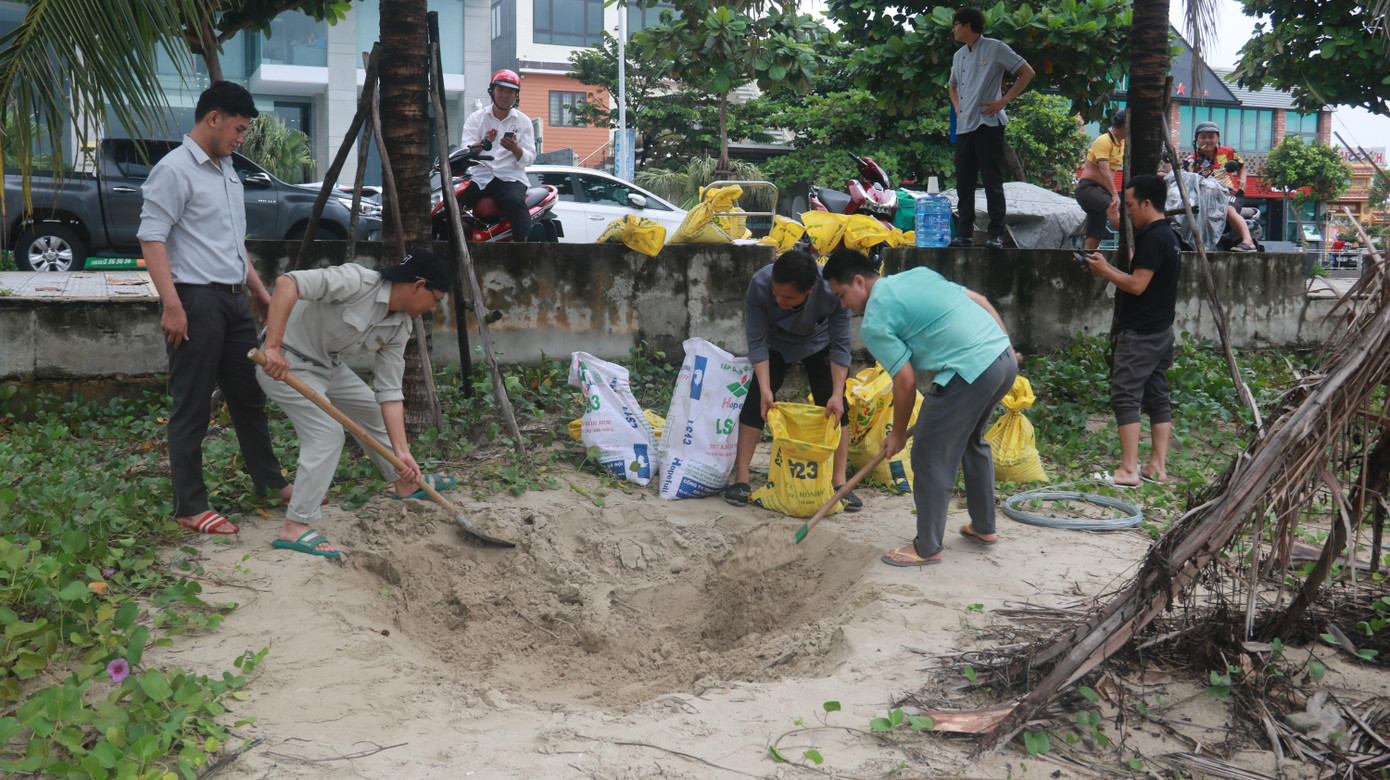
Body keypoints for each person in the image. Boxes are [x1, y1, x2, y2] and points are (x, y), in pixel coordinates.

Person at [138, 81, 292, 537]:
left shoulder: (226, 170)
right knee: (192, 405)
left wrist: (259, 293)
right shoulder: (174, 170)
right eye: (239, 129)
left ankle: (269, 480)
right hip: (195, 300)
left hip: (233, 299)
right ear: (213, 118)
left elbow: (232, 242)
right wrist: (172, 305)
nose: (240, 139)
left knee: (250, 396)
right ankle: (191, 505)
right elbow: (152, 238)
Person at [821, 248, 1018, 568]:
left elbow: (905, 381)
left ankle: (927, 547)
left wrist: (898, 434)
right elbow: (978, 299)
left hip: (969, 369)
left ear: (859, 281)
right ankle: (984, 528)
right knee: (971, 440)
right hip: (1001, 358)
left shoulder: (874, 322)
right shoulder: (915, 276)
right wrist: (1004, 344)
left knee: (928, 451)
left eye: (842, 296)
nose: (844, 306)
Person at [256, 253, 460, 558]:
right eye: (435, 300)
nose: (432, 309)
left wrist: (402, 454)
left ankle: (404, 484)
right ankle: (296, 525)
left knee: (372, 412)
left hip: (328, 367)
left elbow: (390, 392)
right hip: (286, 363)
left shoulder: (400, 325)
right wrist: (272, 348)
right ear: (419, 286)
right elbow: (288, 283)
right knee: (327, 434)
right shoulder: (356, 282)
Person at [724, 250, 859, 512]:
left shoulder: (833, 289)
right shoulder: (760, 284)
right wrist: (765, 389)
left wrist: (837, 392)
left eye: (788, 297)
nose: (779, 299)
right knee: (755, 402)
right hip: (775, 344)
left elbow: (841, 346)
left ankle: (840, 484)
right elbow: (757, 342)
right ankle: (741, 479)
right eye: (776, 293)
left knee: (835, 404)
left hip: (818, 342)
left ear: (810, 290)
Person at [1076, 174, 1181, 487]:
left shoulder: (1154, 239)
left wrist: (1105, 270)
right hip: (1161, 332)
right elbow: (1144, 270)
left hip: (1142, 335)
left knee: (1125, 396)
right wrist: (1117, 227)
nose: (1129, 211)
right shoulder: (1168, 236)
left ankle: (1128, 470)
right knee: (1157, 396)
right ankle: (1157, 467)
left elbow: (1137, 285)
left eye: (1131, 206)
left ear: (1147, 203)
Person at [948, 6, 1035, 249]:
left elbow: (1027, 72)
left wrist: (1004, 101)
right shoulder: (958, 56)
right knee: (963, 181)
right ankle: (964, 233)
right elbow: (952, 86)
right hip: (965, 127)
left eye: (956, 24)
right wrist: (958, 109)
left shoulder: (995, 47)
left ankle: (996, 233)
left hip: (989, 124)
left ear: (967, 25)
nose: (953, 30)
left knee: (991, 181)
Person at [457, 69, 537, 242]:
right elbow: (465, 150)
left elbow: (530, 158)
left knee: (516, 202)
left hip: (510, 177)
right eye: (501, 90)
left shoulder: (524, 122)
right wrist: (483, 143)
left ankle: (524, 249)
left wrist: (515, 149)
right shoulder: (476, 118)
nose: (504, 95)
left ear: (516, 95)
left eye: (510, 92)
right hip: (480, 175)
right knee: (453, 202)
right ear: (492, 91)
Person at [1182, 121, 1256, 252]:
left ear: (1217, 138)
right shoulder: (1191, 161)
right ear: (1196, 140)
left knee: (1228, 209)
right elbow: (1187, 182)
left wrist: (1242, 179)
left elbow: (1241, 166)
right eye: (1203, 137)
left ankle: (1248, 241)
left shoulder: (1228, 152)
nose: (1207, 140)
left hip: (1229, 194)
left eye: (1211, 137)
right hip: (1205, 199)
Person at [1076, 108, 1126, 251]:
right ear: (1124, 126)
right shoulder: (1104, 140)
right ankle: (1133, 239)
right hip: (1088, 189)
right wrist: (1115, 195)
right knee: (1113, 207)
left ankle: (1087, 262)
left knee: (1094, 238)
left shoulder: (1121, 145)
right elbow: (1104, 170)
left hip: (1101, 192)